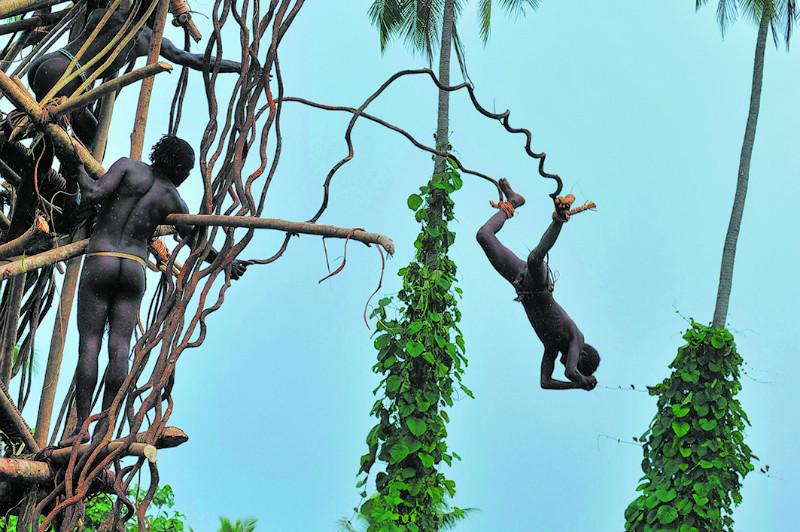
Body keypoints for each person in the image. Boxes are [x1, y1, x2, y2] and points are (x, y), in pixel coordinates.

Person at [59, 135, 247, 446]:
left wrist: (77, 164)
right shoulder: (174, 201)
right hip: (134, 266)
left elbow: (92, 194)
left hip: (102, 258)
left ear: (158, 152)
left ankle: (81, 429)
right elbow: (197, 244)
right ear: (183, 172)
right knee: (120, 348)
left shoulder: (128, 168)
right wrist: (225, 261)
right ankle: (105, 431)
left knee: (89, 345)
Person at [27, 6, 241, 147]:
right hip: (65, 77)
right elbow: (194, 61)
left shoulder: (105, 11)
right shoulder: (147, 38)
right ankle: (73, 194)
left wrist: (237, 66)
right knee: (91, 138)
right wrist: (239, 66)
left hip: (45, 63)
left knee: (40, 126)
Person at [476, 178, 599, 391]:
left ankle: (513, 202)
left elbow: (545, 383)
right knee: (534, 259)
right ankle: (559, 218)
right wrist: (581, 380)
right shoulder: (577, 338)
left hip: (522, 284)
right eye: (579, 363)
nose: (570, 365)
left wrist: (577, 386)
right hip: (540, 285)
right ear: (582, 355)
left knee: (483, 235)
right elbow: (571, 372)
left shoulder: (552, 347)